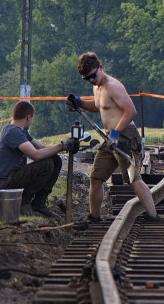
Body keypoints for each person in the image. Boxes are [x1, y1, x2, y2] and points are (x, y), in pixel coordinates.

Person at [67, 52, 158, 222]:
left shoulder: (113, 86)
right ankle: (94, 217)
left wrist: (116, 133)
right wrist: (79, 102)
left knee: (133, 179)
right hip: (110, 138)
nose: (91, 80)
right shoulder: (96, 87)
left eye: (93, 76)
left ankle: (153, 216)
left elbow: (131, 111)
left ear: (100, 67)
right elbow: (98, 106)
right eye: (87, 78)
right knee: (96, 177)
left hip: (125, 136)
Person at [0, 101, 79, 219]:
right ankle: (24, 204)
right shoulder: (13, 132)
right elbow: (35, 155)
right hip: (5, 183)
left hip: (12, 177)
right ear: (28, 117)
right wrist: (62, 146)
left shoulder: (21, 132)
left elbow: (41, 148)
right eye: (32, 118)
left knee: (55, 160)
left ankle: (39, 204)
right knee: (46, 164)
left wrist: (64, 145)